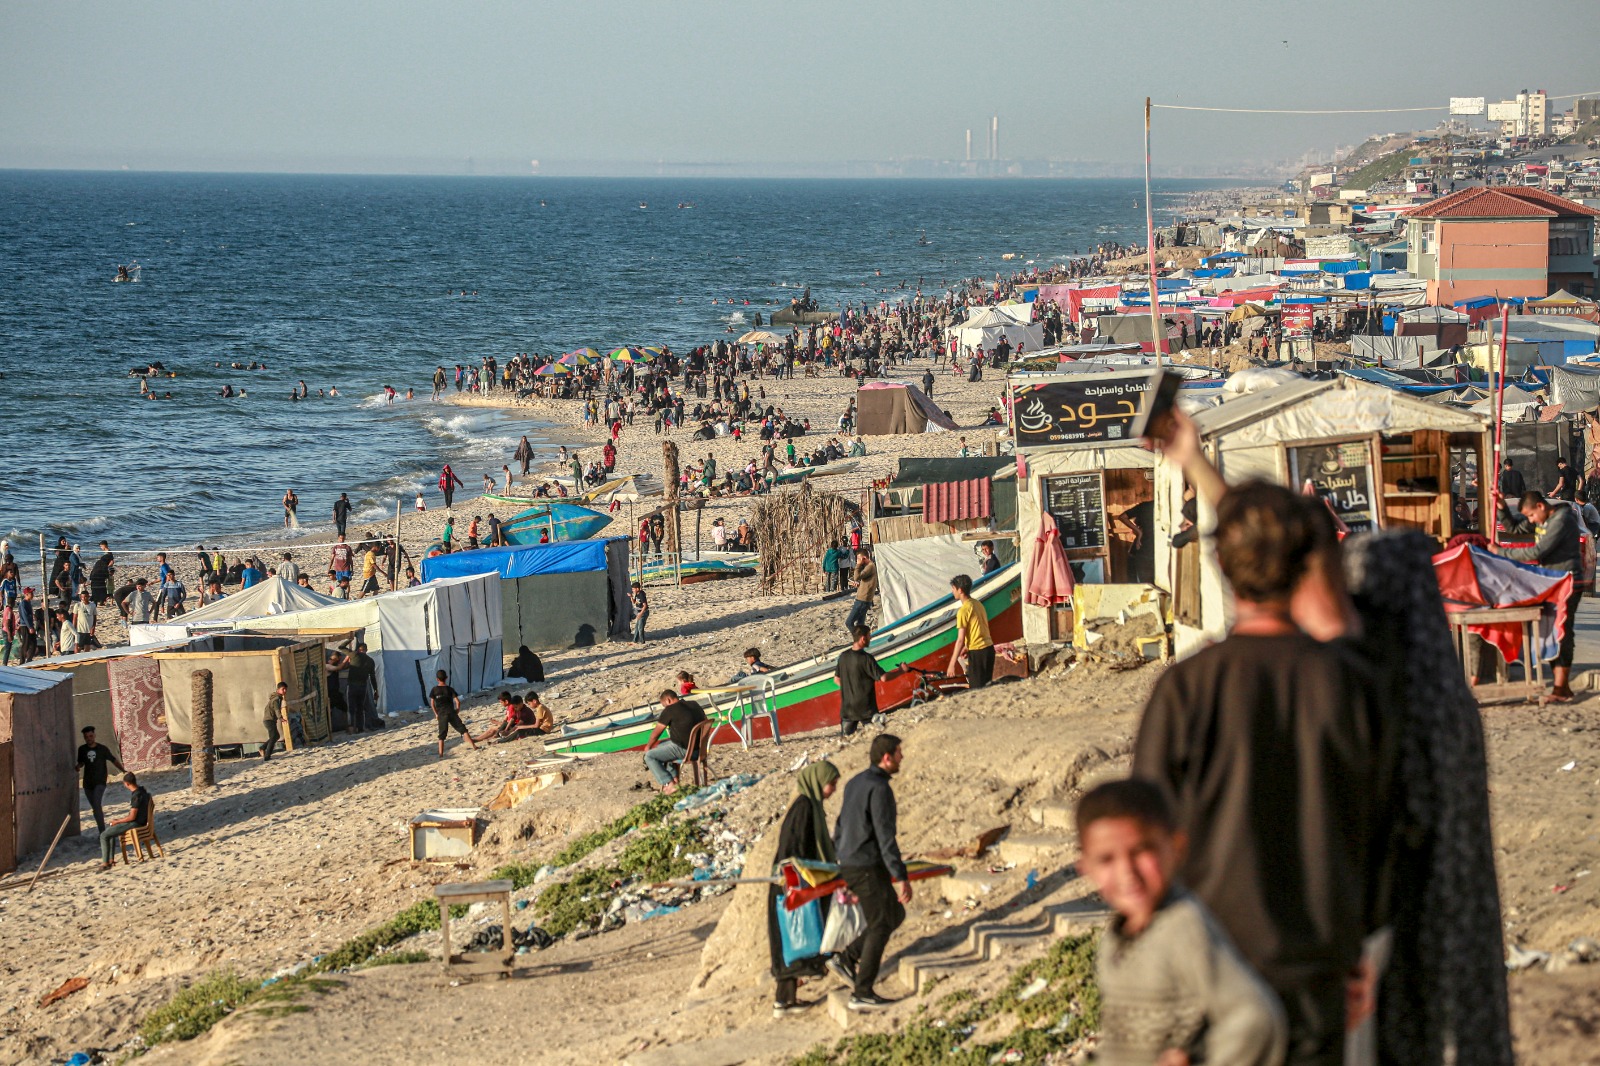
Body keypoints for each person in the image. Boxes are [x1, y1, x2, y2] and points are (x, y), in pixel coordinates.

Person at [1132, 482, 1384, 1066]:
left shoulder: (1185, 690)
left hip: (1210, 970)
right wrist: (1360, 947)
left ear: (1218, 564)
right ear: (1307, 563)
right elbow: (1383, 827)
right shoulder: (1348, 683)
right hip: (1320, 965)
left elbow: (1146, 844)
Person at [1076, 778, 1286, 1066]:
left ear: (1176, 847)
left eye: (1141, 851)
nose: (1127, 873)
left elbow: (1254, 1018)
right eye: (1106, 859)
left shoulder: (1182, 928)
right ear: (1085, 868)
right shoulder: (1119, 936)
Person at [831, 733, 912, 1011]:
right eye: (899, 753)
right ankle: (862, 991)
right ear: (886, 757)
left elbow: (840, 826)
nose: (902, 757)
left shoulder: (855, 782)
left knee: (895, 914)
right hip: (865, 865)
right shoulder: (880, 789)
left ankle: (847, 957)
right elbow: (885, 837)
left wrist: (837, 861)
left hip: (851, 862)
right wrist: (901, 877)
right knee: (880, 923)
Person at [767, 760, 841, 1016]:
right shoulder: (804, 808)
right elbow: (792, 849)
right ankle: (784, 1002)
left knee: (793, 939)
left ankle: (785, 1001)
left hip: (796, 883)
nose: (832, 789)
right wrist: (798, 879)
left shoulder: (812, 807)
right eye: (831, 784)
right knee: (792, 939)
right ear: (818, 782)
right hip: (790, 885)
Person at [1498, 490, 1584, 701]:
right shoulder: (1544, 519)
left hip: (1568, 581)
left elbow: (1537, 552)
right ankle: (1561, 687)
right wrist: (1501, 508)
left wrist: (1500, 553)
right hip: (1552, 582)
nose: (1531, 520)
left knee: (1562, 631)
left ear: (1540, 507)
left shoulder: (1561, 520)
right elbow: (1515, 529)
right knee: (1554, 632)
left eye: (1531, 516)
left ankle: (1560, 689)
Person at [834, 625, 905, 736]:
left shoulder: (843, 656)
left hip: (848, 709)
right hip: (866, 709)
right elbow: (884, 678)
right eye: (869, 636)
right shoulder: (866, 658)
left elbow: (837, 679)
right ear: (863, 638)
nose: (870, 638)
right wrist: (901, 671)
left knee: (846, 741)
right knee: (877, 736)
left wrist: (850, 689)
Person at [642, 689, 706, 794]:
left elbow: (656, 733)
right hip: (700, 748)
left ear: (668, 700)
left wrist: (648, 746)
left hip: (686, 750)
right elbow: (705, 720)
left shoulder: (670, 710)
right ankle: (674, 778)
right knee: (661, 746)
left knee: (650, 756)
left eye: (664, 705)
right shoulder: (694, 704)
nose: (665, 708)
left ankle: (669, 783)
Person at [946, 574, 994, 689]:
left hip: (978, 652)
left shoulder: (963, 611)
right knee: (987, 687)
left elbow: (960, 640)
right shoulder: (978, 604)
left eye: (953, 588)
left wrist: (952, 664)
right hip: (989, 649)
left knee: (976, 689)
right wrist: (967, 647)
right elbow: (980, 628)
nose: (952, 591)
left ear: (960, 590)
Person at [98, 772, 152, 871]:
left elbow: (132, 817)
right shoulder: (143, 791)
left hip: (136, 823)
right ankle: (110, 860)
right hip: (141, 821)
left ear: (126, 784)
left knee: (104, 835)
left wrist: (118, 821)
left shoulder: (136, 795)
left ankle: (105, 863)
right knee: (111, 831)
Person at [77, 726, 124, 834]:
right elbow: (82, 762)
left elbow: (113, 760)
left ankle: (102, 832)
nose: (89, 738)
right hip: (87, 783)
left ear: (94, 735)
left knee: (97, 804)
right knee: (95, 808)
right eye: (86, 737)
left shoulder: (102, 749)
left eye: (90, 736)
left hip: (100, 781)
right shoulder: (82, 750)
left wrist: (123, 770)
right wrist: (78, 766)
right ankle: (101, 830)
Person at [429, 669, 477, 757]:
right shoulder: (450, 689)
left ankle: (440, 754)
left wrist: (436, 714)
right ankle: (474, 746)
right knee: (463, 729)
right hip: (451, 712)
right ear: (446, 678)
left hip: (442, 714)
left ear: (437, 679)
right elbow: (457, 702)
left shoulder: (434, 690)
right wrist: (457, 710)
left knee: (442, 735)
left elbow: (432, 704)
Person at [344, 642, 381, 732]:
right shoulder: (370, 660)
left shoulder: (354, 655)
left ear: (358, 650)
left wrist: (349, 640)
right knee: (360, 708)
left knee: (351, 708)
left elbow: (341, 647)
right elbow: (372, 677)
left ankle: (352, 727)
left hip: (352, 685)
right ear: (366, 650)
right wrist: (376, 690)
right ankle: (360, 728)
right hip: (362, 687)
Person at [844, 550, 877, 634]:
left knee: (849, 622)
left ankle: (860, 640)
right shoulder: (869, 567)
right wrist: (859, 585)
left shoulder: (870, 566)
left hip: (862, 600)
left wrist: (858, 565)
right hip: (864, 599)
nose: (857, 560)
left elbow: (856, 577)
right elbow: (867, 582)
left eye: (859, 558)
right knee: (860, 624)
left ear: (864, 558)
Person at [261, 680, 287, 761]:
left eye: (285, 689)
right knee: (273, 737)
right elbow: (277, 710)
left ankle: (262, 747)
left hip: (269, 720)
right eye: (283, 689)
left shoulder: (276, 697)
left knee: (276, 736)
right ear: (278, 689)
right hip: (269, 720)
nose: (284, 691)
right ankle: (267, 756)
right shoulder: (276, 699)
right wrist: (281, 718)